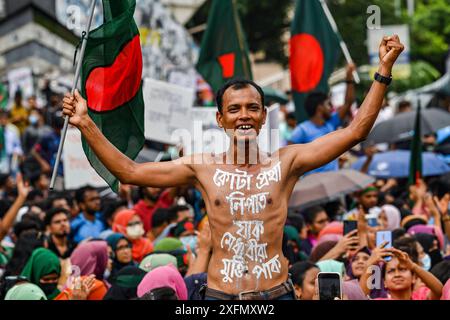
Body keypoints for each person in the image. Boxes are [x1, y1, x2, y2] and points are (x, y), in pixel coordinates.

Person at [62, 35, 405, 300]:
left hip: (276, 294)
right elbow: (130, 172)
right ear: (220, 118)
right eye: (235, 109)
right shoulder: (201, 167)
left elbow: (356, 131)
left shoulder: (287, 162)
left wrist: (383, 71)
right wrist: (86, 123)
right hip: (220, 296)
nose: (244, 115)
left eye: (252, 108)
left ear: (263, 116)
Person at [289, 63, 356, 174]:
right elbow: (289, 158)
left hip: (333, 181)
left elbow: (348, 103)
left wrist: (349, 78)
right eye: (328, 104)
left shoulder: (331, 123)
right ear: (320, 107)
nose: (331, 108)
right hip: (313, 185)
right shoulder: (301, 130)